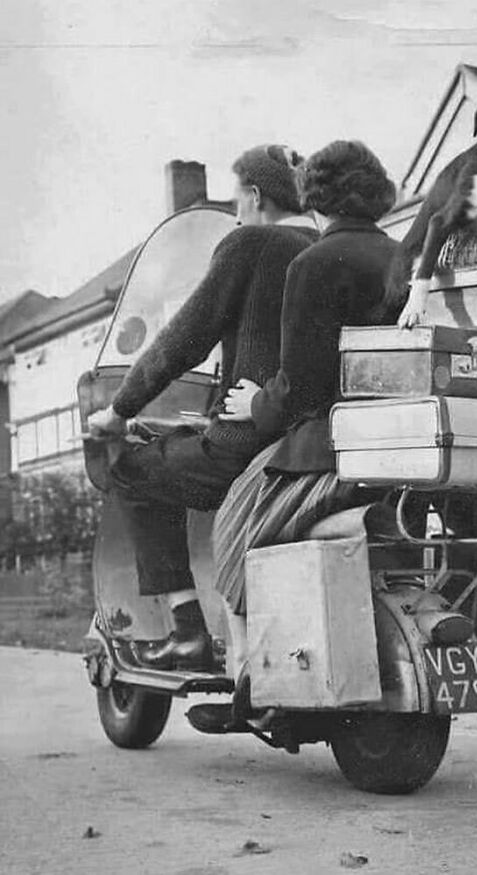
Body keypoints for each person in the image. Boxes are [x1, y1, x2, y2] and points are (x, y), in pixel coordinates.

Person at [87, 144, 319, 671]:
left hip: (247, 443)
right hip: (313, 441)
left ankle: (187, 629)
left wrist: (120, 410)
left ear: (256, 196)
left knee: (133, 473)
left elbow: (185, 339)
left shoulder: (250, 243)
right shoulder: (325, 248)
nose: (236, 212)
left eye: (237, 200)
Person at [210, 140, 400, 693]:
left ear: (315, 194)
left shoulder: (312, 263)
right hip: (394, 436)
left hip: (328, 445)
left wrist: (256, 404)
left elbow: (300, 387)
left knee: (232, 523)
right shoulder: (402, 256)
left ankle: (247, 670)